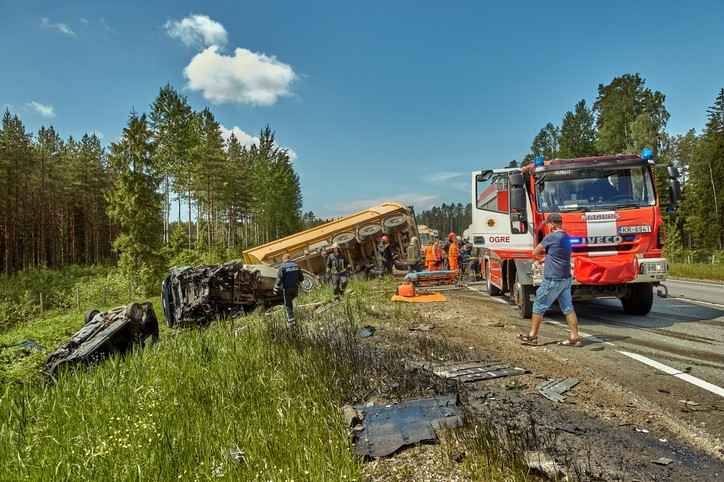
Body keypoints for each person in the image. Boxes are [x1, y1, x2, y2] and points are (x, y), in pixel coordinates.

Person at [519, 213, 581, 347]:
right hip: (565, 278)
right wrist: (547, 258)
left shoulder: (551, 237)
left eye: (548, 224)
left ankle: (532, 336)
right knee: (568, 308)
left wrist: (542, 256)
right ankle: (574, 336)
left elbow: (535, 252)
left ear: (552, 224)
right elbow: (559, 255)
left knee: (538, 305)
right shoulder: (566, 237)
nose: (547, 226)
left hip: (553, 278)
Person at [273, 254, 303, 326]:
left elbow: (279, 279)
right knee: (294, 302)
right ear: (290, 258)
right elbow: (301, 278)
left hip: (287, 289)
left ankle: (291, 322)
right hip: (295, 288)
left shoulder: (282, 267)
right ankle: (298, 316)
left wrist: (275, 288)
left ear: (284, 259)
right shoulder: (296, 265)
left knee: (288, 305)